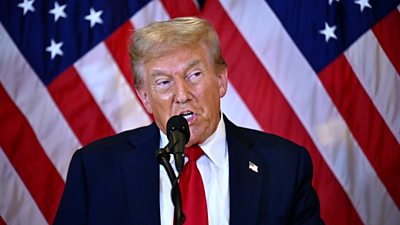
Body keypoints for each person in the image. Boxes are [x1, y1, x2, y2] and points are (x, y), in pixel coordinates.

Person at [53, 17, 324, 225]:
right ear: (145, 98)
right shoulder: (95, 170)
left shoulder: (285, 166)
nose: (182, 95)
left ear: (221, 80)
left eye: (194, 74)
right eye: (164, 82)